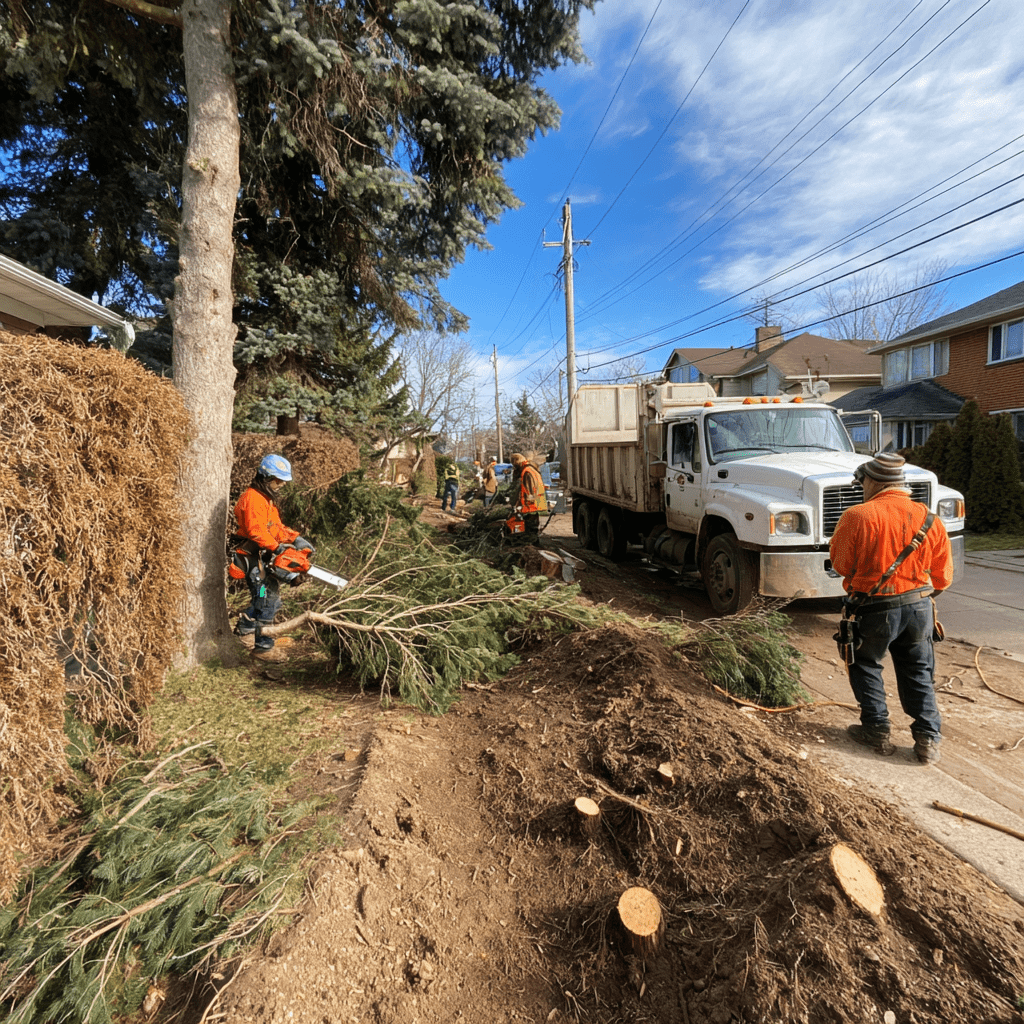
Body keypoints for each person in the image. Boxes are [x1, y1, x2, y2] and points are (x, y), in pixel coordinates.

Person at [829, 452, 953, 764]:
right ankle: (927, 739)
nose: (862, 488)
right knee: (918, 670)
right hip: (920, 608)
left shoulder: (857, 516)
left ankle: (876, 730)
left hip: (873, 607)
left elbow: (842, 565)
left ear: (873, 482)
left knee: (866, 663)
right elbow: (943, 577)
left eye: (863, 483)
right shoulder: (930, 518)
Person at [231, 454, 315, 661]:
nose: (281, 485)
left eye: (283, 481)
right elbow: (256, 531)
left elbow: (275, 527)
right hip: (253, 559)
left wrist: (295, 539)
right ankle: (262, 646)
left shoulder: (265, 499)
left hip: (264, 556)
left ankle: (247, 628)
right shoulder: (252, 498)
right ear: (265, 477)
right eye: (278, 480)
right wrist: (278, 549)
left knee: (268, 599)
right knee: (265, 598)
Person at [509, 452, 548, 542]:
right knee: (531, 527)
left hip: (531, 505)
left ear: (516, 461)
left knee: (530, 527)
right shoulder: (530, 469)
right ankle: (532, 543)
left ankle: (531, 545)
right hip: (534, 503)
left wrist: (520, 504)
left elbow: (529, 490)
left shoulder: (527, 471)